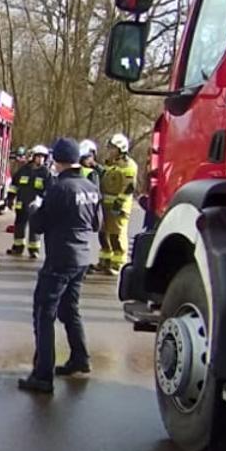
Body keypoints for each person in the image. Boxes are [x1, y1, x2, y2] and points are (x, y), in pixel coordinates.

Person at [19, 137, 102, 395]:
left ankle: (42, 375)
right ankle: (80, 358)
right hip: (82, 258)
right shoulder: (91, 187)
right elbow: (97, 224)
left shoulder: (60, 188)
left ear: (59, 160)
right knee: (70, 309)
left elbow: (40, 225)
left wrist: (34, 209)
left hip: (59, 260)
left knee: (44, 313)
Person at [97, 133, 139, 276]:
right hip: (106, 205)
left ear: (121, 149)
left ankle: (118, 262)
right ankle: (105, 260)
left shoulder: (128, 165)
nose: (110, 150)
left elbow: (129, 187)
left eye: (113, 148)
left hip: (118, 207)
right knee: (103, 234)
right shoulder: (110, 163)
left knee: (116, 235)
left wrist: (119, 203)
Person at [7, 144, 51, 259]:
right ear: (33, 157)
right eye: (38, 157)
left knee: (35, 227)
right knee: (19, 225)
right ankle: (18, 247)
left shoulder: (46, 173)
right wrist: (10, 198)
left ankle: (34, 250)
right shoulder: (23, 170)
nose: (41, 159)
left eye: (43, 157)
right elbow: (14, 185)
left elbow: (50, 190)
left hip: (36, 206)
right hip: (21, 203)